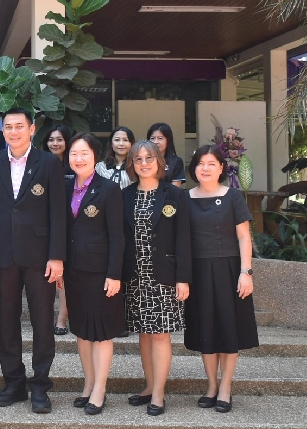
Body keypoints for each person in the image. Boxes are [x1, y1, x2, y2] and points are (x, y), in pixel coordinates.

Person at [0, 107, 65, 414]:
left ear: (32, 130)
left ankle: (41, 386)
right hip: (3, 256)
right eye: (8, 127)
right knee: (8, 323)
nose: (13, 131)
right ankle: (14, 383)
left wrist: (57, 256)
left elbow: (58, 212)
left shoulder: (48, 163)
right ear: (3, 132)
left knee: (43, 322)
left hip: (40, 256)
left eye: (20, 126)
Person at [184, 145, 258, 414]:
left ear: (221, 168)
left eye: (212, 163)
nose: (205, 168)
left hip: (229, 270)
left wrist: (245, 272)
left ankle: (226, 387)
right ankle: (211, 385)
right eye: (201, 163)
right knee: (205, 328)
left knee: (228, 328)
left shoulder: (233, 197)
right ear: (194, 168)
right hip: (197, 272)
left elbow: (243, 237)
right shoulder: (185, 198)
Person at [123, 140, 191, 416]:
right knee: (144, 332)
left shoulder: (174, 195)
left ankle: (160, 394)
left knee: (160, 333)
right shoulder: (125, 195)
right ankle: (149, 386)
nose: (144, 163)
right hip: (135, 275)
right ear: (132, 165)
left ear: (160, 162)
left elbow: (184, 239)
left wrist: (183, 278)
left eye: (149, 158)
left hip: (163, 275)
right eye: (138, 159)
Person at [63, 133, 125, 415]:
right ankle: (88, 384)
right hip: (73, 271)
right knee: (82, 331)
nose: (78, 158)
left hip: (101, 273)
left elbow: (117, 236)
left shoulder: (109, 189)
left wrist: (114, 274)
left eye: (84, 153)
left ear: (96, 156)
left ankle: (100, 388)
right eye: (74, 153)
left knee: (101, 333)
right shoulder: (64, 187)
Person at [45, 124, 74, 336]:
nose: (55, 143)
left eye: (60, 139)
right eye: (51, 139)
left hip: (75, 224)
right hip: (48, 225)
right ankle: (59, 315)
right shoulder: (41, 165)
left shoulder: (76, 164)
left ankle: (63, 315)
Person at [148, 122, 187, 187]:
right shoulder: (143, 161)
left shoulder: (176, 162)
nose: (155, 142)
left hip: (168, 196)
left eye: (160, 138)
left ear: (168, 141)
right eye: (152, 138)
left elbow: (175, 189)